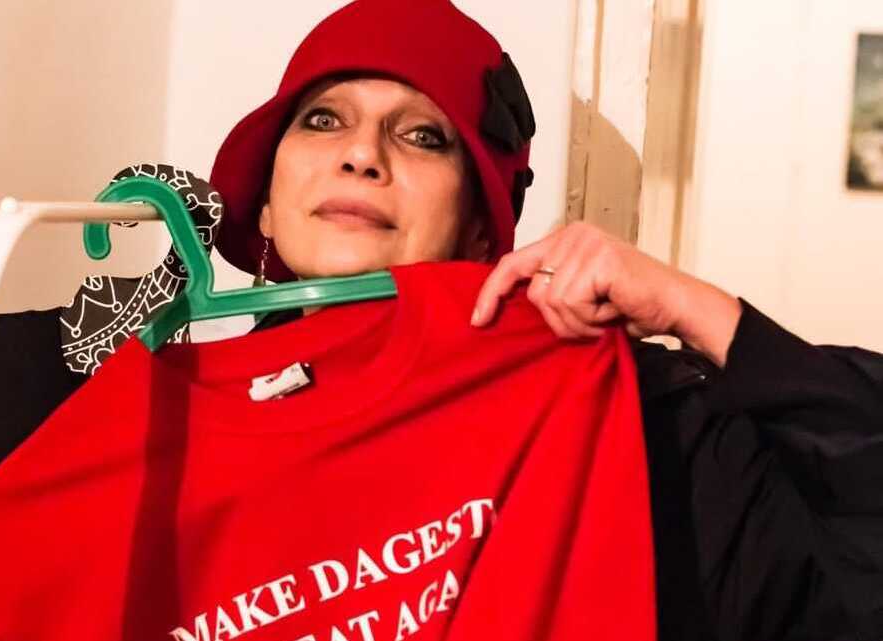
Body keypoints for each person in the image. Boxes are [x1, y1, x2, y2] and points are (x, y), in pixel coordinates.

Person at [207, 1, 883, 640]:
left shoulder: (624, 420)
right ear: (265, 201)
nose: (361, 155)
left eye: (422, 136)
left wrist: (691, 305)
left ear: (480, 227)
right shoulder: (173, 431)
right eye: (324, 119)